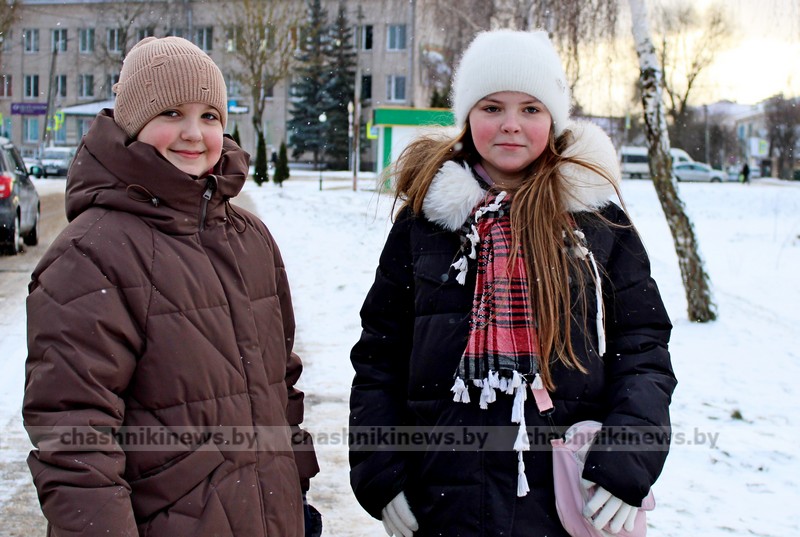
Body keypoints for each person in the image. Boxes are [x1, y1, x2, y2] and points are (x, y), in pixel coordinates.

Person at [349, 29, 676, 537]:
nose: (510, 124)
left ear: (553, 120)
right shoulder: (423, 226)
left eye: (530, 109)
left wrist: (627, 457)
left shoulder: (598, 222)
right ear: (467, 117)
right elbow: (380, 355)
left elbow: (643, 348)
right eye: (491, 107)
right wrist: (382, 470)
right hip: (443, 500)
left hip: (565, 500)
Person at [23, 37, 319, 537]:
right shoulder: (91, 253)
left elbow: (279, 385)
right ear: (132, 125)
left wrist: (297, 492)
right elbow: (74, 439)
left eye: (209, 116)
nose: (193, 133)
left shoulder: (251, 239)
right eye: (171, 113)